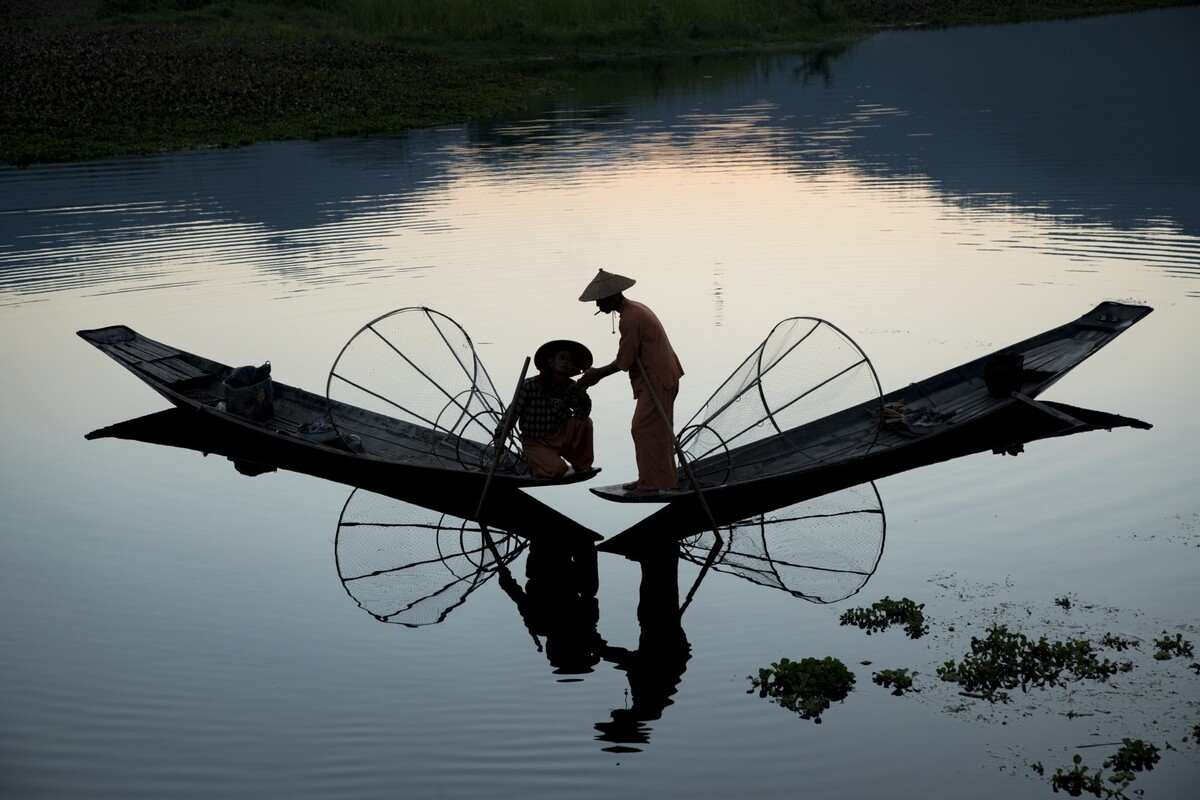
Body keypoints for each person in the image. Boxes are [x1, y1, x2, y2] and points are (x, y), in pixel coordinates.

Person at [575, 269, 684, 494]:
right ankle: (655, 479)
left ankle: (651, 483)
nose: (598, 306)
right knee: (657, 430)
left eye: (600, 301)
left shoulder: (630, 317)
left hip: (657, 378)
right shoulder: (635, 309)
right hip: (661, 375)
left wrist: (596, 374)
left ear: (613, 297)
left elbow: (624, 360)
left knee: (642, 429)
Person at [504, 339, 595, 479]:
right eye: (562, 358)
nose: (566, 362)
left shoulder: (571, 387)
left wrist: (582, 394)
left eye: (569, 360)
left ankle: (581, 464)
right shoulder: (530, 385)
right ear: (551, 362)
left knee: (585, 422)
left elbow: (582, 414)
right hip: (534, 441)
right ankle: (536, 465)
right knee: (559, 470)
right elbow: (512, 413)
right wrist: (500, 436)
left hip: (558, 436)